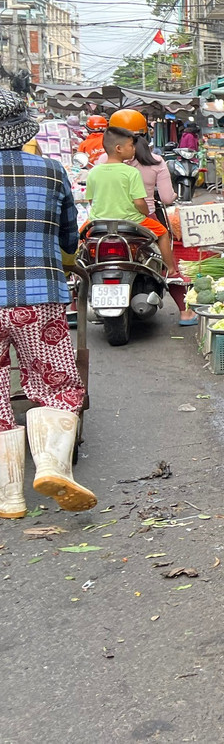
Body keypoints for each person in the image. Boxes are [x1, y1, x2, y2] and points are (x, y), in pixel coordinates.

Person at [0, 89, 93, 516]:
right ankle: (53, 466)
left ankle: (10, 497)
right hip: (40, 297)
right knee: (56, 387)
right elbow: (69, 239)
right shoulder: (52, 172)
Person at [86, 128, 178, 276]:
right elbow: (139, 202)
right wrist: (146, 212)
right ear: (119, 149)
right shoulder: (131, 172)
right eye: (131, 145)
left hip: (98, 221)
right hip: (131, 222)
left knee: (79, 237)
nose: (134, 149)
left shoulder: (93, 172)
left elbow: (91, 200)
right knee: (162, 233)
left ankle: (77, 272)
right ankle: (170, 270)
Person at [128, 126, 196, 325]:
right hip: (144, 218)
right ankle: (184, 312)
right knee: (167, 262)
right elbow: (166, 198)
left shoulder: (105, 163)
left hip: (105, 221)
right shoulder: (156, 162)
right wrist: (173, 196)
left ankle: (73, 309)